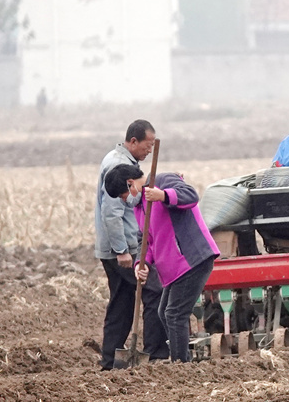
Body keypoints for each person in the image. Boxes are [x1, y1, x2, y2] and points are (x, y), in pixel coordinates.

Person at [105, 165, 220, 363]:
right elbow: (145, 240)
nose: (125, 200)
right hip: (173, 268)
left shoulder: (163, 181)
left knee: (174, 314)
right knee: (164, 312)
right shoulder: (140, 207)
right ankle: (184, 360)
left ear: (130, 183)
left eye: (123, 195)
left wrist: (163, 196)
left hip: (192, 258)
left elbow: (190, 196)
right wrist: (142, 263)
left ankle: (179, 365)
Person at [94, 120, 168, 370]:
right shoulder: (119, 167)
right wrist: (122, 251)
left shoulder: (117, 159)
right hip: (123, 249)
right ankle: (156, 352)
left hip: (116, 248)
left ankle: (110, 362)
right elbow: (111, 212)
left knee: (122, 303)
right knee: (154, 291)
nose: (149, 151)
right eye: (146, 146)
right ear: (133, 141)